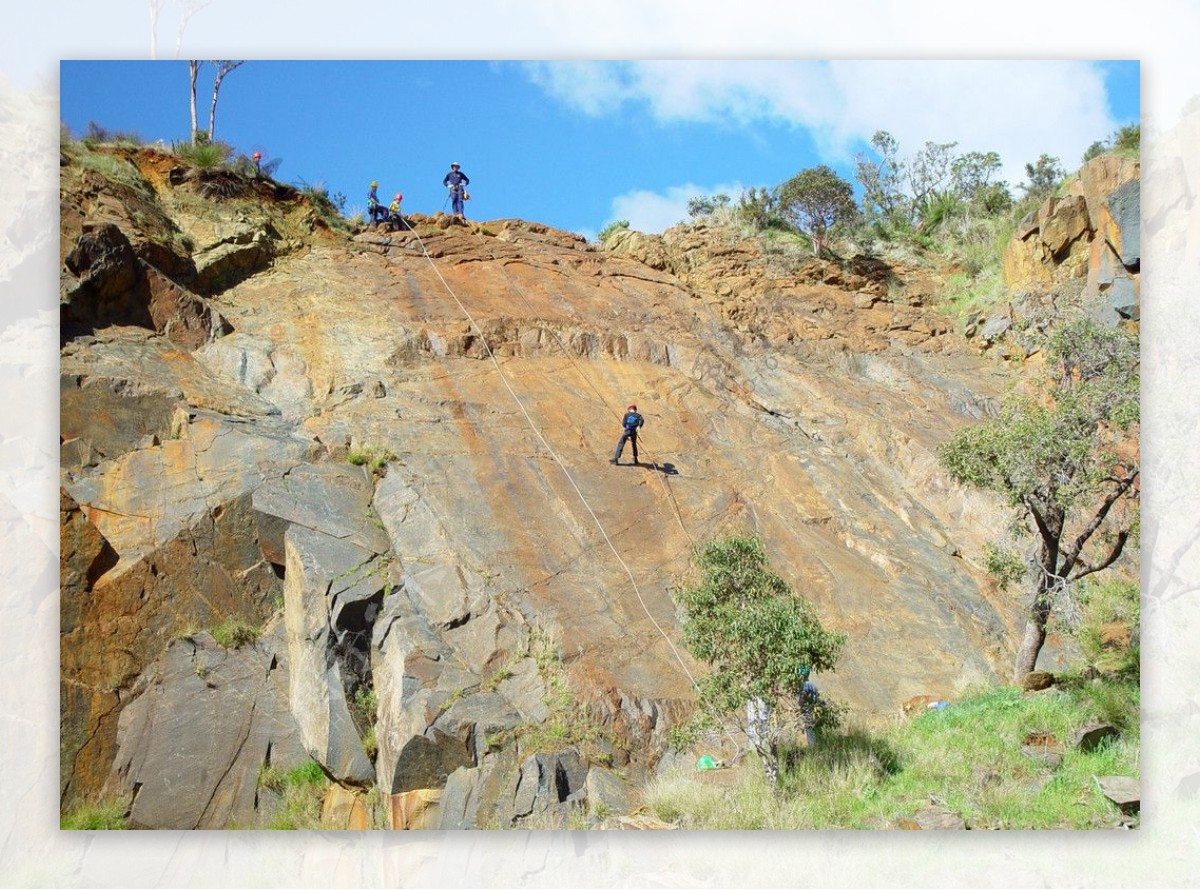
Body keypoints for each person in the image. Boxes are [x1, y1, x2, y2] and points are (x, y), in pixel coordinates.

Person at [799, 665, 821, 747]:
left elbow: (804, 695)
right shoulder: (812, 685)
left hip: (807, 710)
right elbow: (818, 696)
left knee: (809, 728)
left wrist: (800, 705)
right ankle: (814, 745)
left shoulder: (805, 684)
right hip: (812, 710)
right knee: (812, 728)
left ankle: (812, 747)